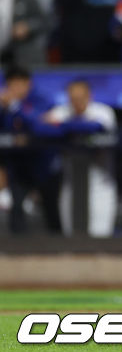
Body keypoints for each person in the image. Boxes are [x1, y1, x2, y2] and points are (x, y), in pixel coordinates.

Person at [43, 79, 117, 237]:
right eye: (73, 98)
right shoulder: (61, 111)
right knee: (72, 237)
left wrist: (63, 127)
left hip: (100, 182)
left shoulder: (103, 111)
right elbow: (40, 127)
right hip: (71, 182)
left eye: (81, 97)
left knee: (100, 236)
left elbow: (97, 127)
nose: (77, 102)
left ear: (89, 96)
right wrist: (69, 126)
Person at [0, 67, 60, 234]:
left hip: (44, 165)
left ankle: (60, 248)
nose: (16, 89)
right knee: (16, 208)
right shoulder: (4, 104)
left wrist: (14, 106)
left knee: (51, 210)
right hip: (18, 166)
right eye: (12, 85)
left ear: (29, 84)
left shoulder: (41, 100)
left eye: (21, 84)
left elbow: (38, 124)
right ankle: (18, 253)